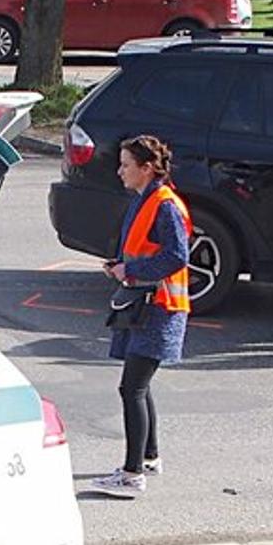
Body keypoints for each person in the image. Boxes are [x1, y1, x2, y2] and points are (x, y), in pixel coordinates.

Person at [83, 134, 189, 501]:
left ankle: (132, 474)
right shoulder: (148, 199)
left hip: (158, 308)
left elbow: (177, 255)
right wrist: (123, 267)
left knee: (132, 388)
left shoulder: (164, 205)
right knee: (139, 387)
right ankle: (148, 457)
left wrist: (131, 268)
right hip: (145, 303)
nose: (119, 170)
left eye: (126, 164)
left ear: (147, 168)